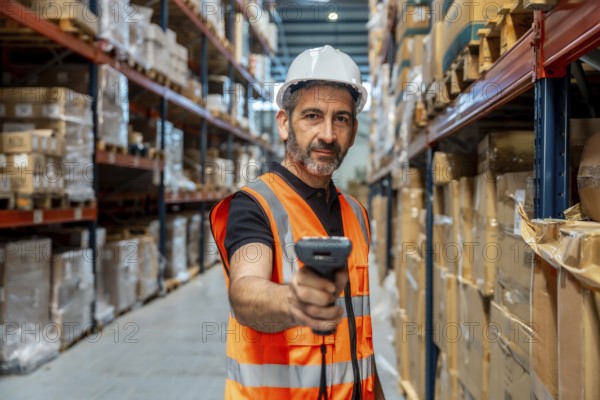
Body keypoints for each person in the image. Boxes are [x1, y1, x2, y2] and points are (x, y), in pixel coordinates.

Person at [210, 45, 385, 400]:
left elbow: (359, 339)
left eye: (341, 118)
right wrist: (294, 301)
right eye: (312, 116)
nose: (328, 134)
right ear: (284, 123)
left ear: (353, 131)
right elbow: (245, 291)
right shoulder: (255, 206)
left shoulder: (357, 214)